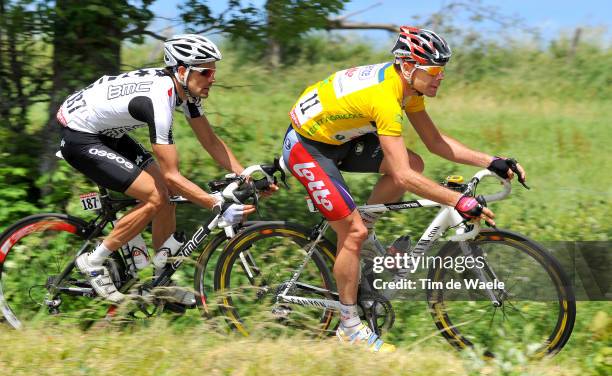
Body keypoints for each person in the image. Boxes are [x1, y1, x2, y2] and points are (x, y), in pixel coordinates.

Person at [282, 26, 526, 352]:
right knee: (352, 232)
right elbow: (403, 177)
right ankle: (349, 328)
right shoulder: (385, 96)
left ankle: (365, 233)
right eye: (435, 71)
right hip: (307, 147)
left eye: (443, 70)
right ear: (409, 65)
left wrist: (492, 160)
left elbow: (435, 143)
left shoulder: (407, 87)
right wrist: (459, 201)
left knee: (416, 162)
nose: (441, 77)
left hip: (340, 137)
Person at [57, 34, 261, 304]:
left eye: (214, 71)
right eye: (206, 71)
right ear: (181, 71)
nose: (213, 78)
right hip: (80, 135)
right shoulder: (159, 97)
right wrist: (216, 204)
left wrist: (244, 175)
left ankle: (160, 283)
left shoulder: (184, 90)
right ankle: (94, 261)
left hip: (106, 132)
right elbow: (171, 175)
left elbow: (210, 140)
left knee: (167, 200)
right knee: (156, 195)